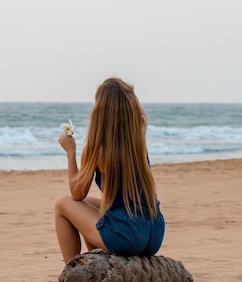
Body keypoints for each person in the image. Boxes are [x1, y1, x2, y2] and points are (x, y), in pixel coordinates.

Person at [55, 77, 165, 264]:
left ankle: (72, 271)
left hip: (127, 234)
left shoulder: (97, 147)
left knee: (62, 204)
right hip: (154, 231)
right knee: (91, 204)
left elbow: (76, 194)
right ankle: (102, 264)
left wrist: (71, 153)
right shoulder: (137, 145)